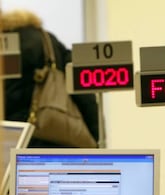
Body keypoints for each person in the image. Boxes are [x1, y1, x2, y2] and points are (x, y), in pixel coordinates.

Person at [2, 9, 99, 147]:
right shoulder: (48, 41)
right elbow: (83, 93)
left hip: (14, 138)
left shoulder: (6, 45)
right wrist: (95, 136)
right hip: (57, 132)